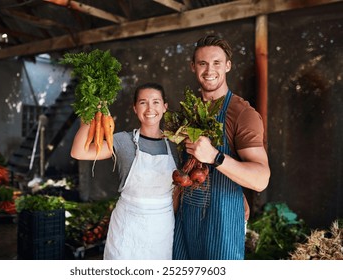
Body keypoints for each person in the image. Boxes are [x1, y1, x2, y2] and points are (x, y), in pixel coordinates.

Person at [172, 35, 270, 260]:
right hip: (185, 221)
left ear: (228, 66)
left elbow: (261, 179)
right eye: (202, 63)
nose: (209, 70)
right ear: (193, 67)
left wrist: (216, 157)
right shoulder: (188, 111)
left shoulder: (242, 114)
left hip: (222, 224)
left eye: (216, 63)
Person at [70, 82, 179, 260]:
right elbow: (79, 152)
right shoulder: (123, 141)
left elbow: (178, 192)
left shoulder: (175, 145)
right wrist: (91, 116)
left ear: (165, 107)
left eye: (156, 102)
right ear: (135, 108)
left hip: (162, 227)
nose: (150, 108)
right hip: (127, 225)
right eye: (143, 102)